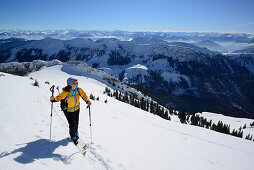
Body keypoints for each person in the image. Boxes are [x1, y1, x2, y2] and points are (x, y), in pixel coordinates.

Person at [50, 77, 91, 144]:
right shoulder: (66, 92)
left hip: (76, 109)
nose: (76, 84)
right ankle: (72, 136)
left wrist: (87, 101)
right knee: (72, 124)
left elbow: (84, 95)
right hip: (68, 110)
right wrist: (53, 99)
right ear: (70, 84)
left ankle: (76, 131)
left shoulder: (79, 90)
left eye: (77, 83)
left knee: (76, 122)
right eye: (75, 83)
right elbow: (59, 97)